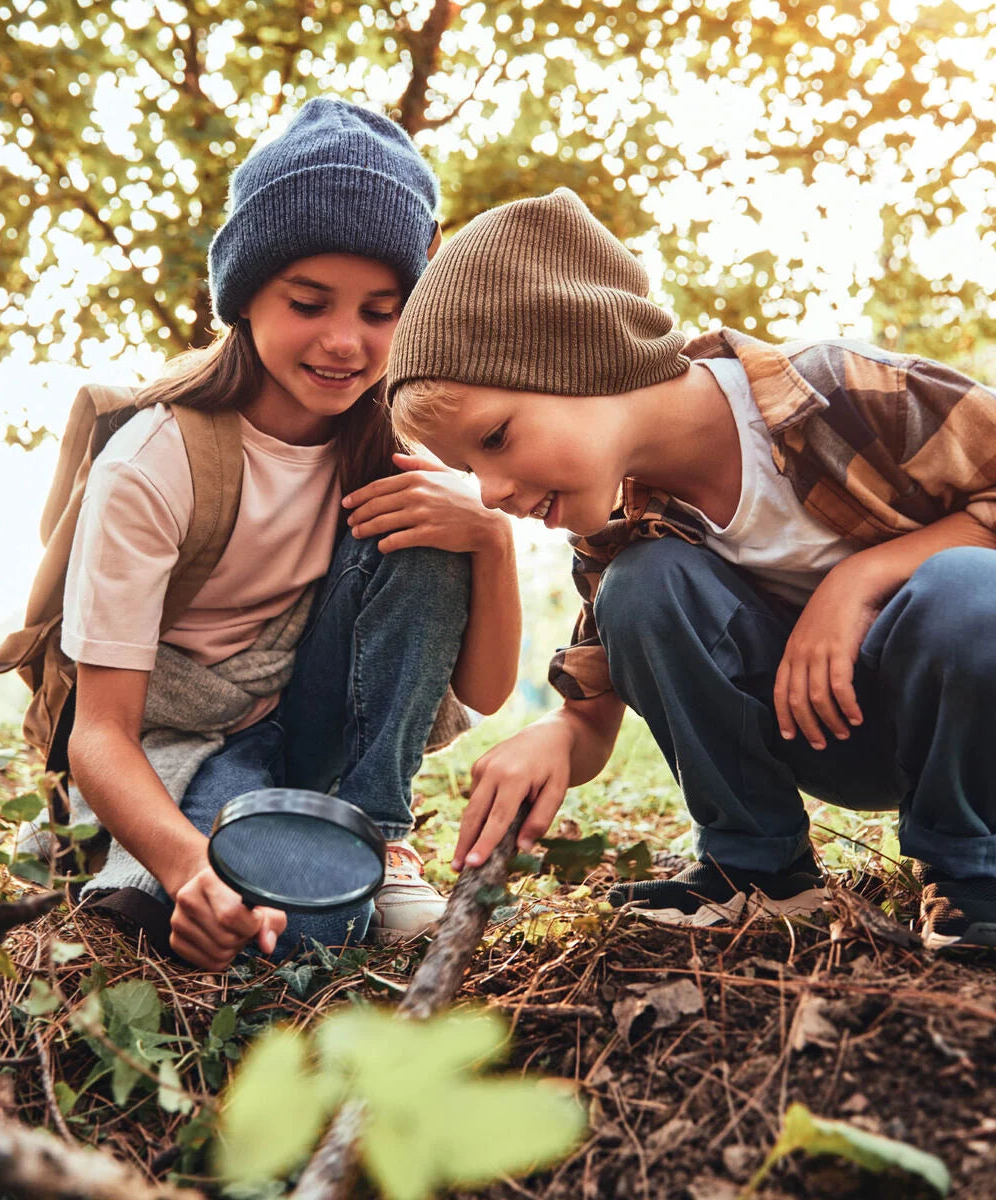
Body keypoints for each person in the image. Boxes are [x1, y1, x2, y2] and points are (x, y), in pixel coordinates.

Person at [383, 186, 996, 950]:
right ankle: (761, 876)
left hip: (967, 723)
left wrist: (859, 580)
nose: (493, 491)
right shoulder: (620, 530)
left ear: (584, 357)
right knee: (645, 586)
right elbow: (592, 714)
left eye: (497, 439)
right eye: (469, 470)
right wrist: (553, 736)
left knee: (969, 587)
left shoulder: (846, 393)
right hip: (823, 732)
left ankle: (974, 875)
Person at [63, 99, 520, 970]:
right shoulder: (154, 463)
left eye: (382, 313)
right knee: (275, 936)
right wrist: (189, 870)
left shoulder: (394, 450)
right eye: (309, 302)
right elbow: (100, 732)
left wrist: (489, 537)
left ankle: (377, 834)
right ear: (246, 297)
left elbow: (488, 691)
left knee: (427, 524)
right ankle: (213, 844)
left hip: (315, 719)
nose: (345, 342)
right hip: (188, 740)